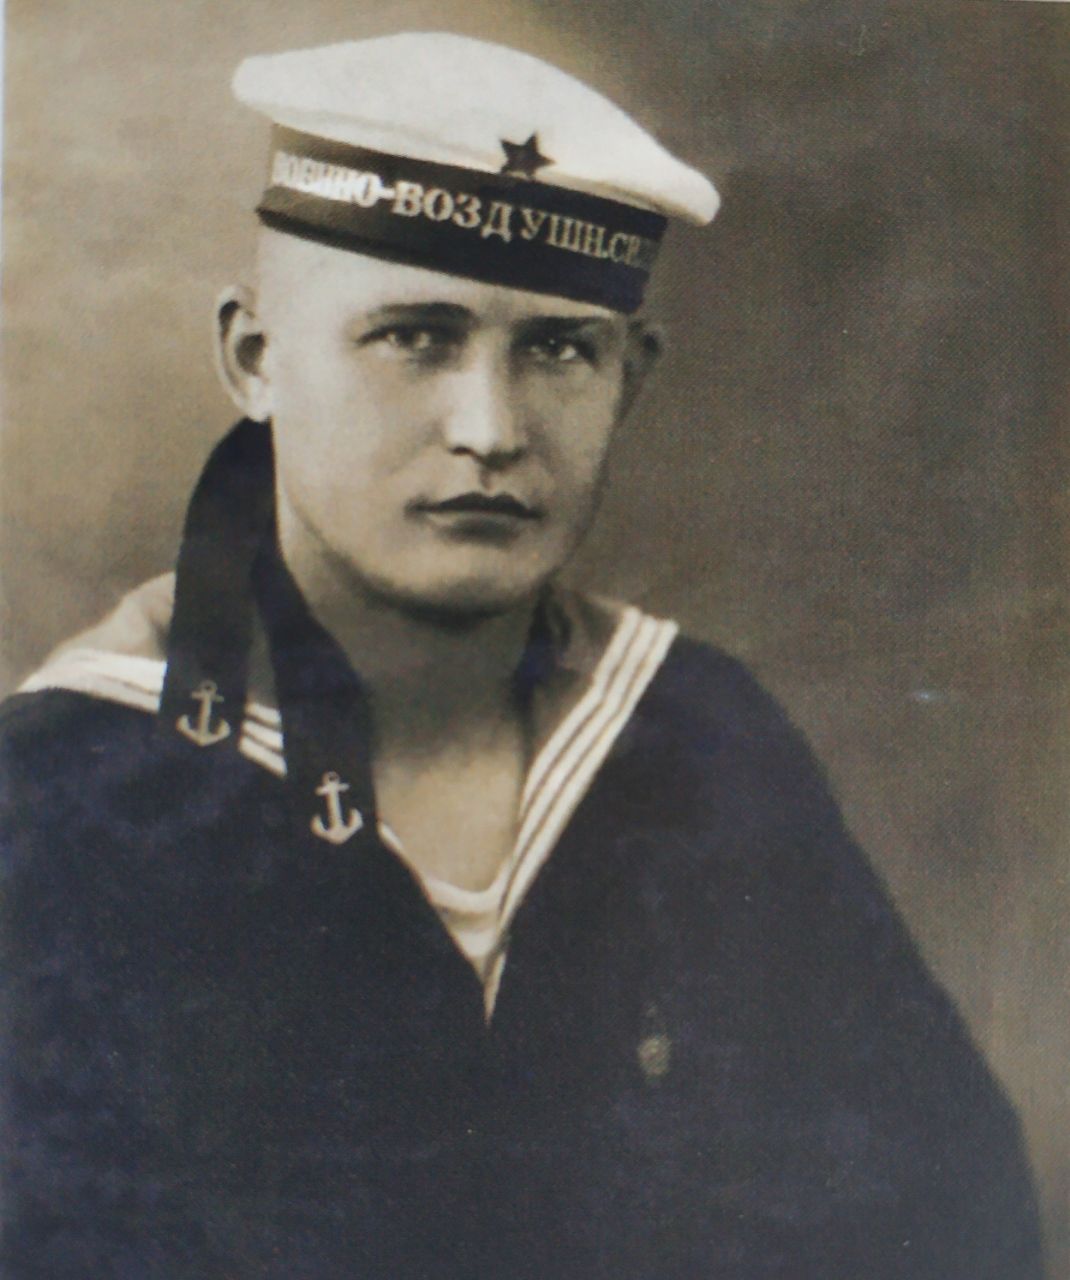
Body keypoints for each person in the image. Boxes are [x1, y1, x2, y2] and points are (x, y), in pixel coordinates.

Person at [0, 32, 1043, 1280]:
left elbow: (949, 1217)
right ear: (254, 358)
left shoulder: (699, 745)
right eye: (414, 338)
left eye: (557, 349)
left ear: (630, 379)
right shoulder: (68, 792)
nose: (489, 429)